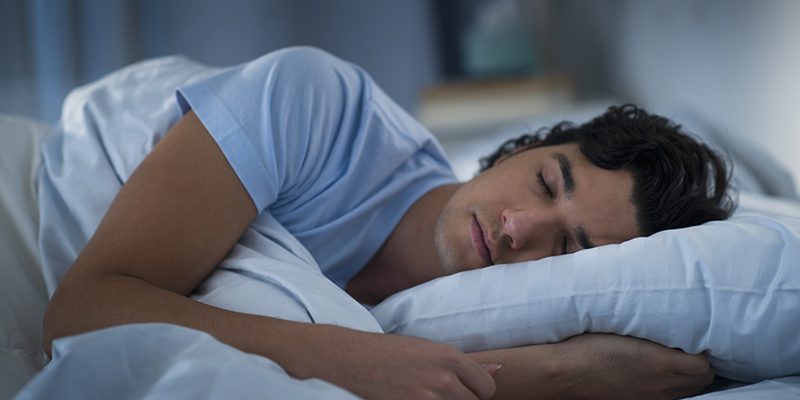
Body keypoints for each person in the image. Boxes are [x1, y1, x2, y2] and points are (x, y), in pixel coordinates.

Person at [40, 47, 731, 400]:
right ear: (523, 147)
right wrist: (352, 359)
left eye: (570, 247)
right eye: (549, 182)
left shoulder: (493, 316)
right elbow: (83, 312)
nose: (522, 228)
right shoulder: (316, 106)